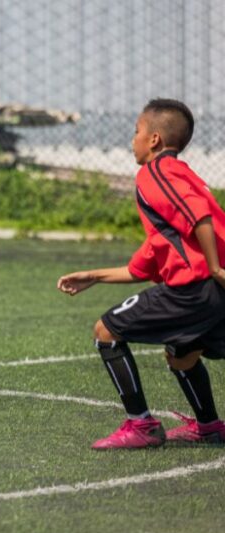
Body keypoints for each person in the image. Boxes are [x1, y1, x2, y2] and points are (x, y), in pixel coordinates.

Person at [58, 98, 225, 449]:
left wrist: (214, 267)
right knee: (182, 356)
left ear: (154, 140)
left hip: (196, 287)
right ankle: (209, 426)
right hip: (214, 293)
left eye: (136, 131)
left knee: (106, 331)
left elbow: (199, 216)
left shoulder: (155, 173)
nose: (132, 139)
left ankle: (141, 425)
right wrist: (94, 275)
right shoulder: (185, 175)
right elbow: (144, 264)